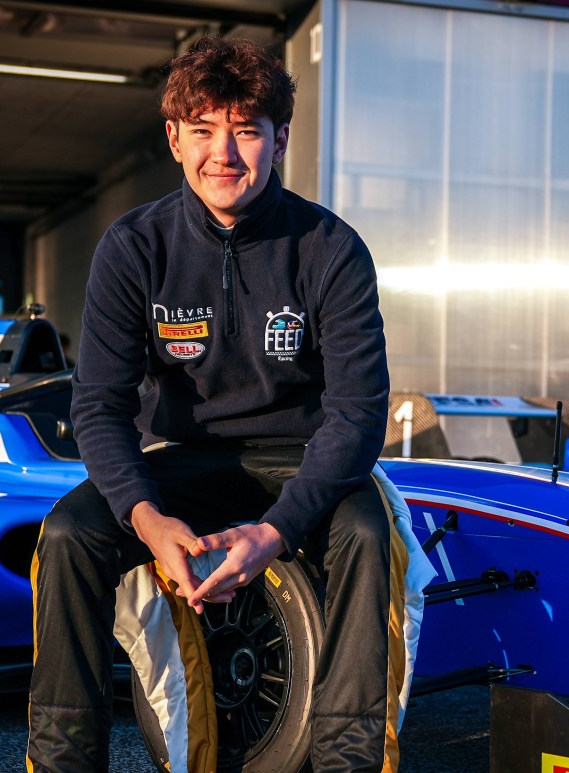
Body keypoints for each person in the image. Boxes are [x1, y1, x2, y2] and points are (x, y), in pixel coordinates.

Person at [26, 35, 398, 772]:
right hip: (179, 465)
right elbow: (98, 406)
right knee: (68, 534)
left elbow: (357, 415)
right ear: (174, 138)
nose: (223, 154)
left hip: (299, 464)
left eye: (246, 131)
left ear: (279, 140)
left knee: (364, 528)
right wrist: (148, 518)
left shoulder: (331, 248)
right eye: (203, 130)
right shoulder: (133, 247)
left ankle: (347, 762)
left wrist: (276, 532)